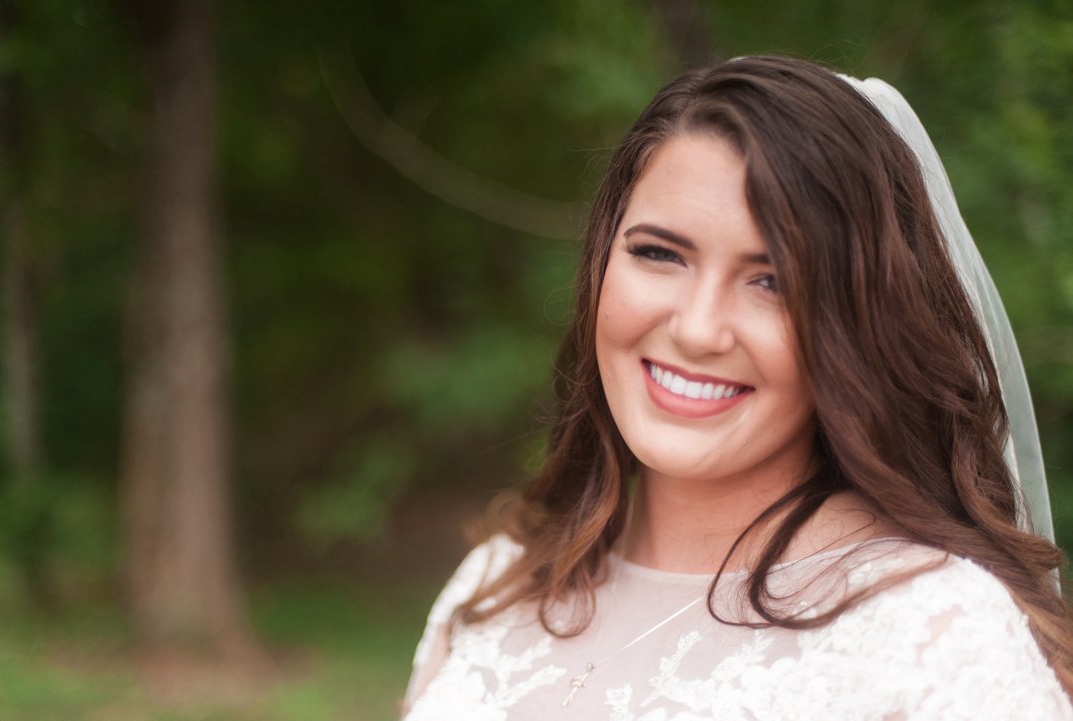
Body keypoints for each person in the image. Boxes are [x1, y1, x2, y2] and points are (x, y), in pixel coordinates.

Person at [400, 56, 1073, 720]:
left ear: (860, 328)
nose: (697, 329)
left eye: (772, 281)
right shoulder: (498, 583)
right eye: (659, 253)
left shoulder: (934, 633)